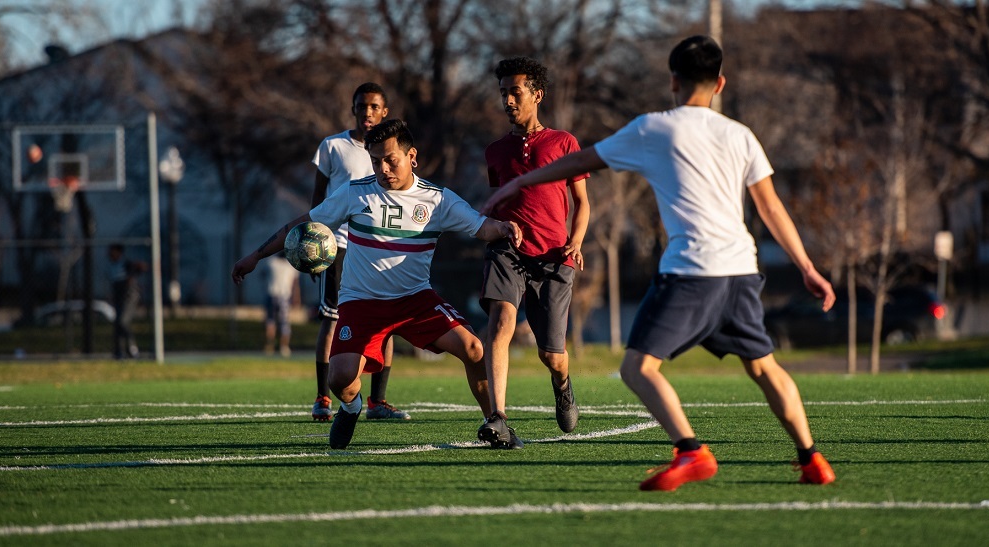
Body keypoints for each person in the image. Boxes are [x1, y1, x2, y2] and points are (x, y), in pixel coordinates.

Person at [483, 35, 837, 490]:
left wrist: (519, 184)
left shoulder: (654, 128)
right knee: (764, 367)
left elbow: (581, 161)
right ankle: (811, 459)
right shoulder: (740, 134)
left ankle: (691, 452)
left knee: (637, 368)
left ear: (672, 81)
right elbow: (770, 209)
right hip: (743, 271)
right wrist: (807, 267)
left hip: (692, 271)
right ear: (720, 84)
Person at [233, 119, 522, 450]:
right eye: (375, 161)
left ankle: (496, 423)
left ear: (412, 156)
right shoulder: (357, 192)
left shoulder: (438, 200)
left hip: (415, 300)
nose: (383, 168)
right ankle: (352, 407)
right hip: (361, 303)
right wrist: (256, 256)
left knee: (474, 348)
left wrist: (502, 227)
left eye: (390, 159)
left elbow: (480, 226)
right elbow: (304, 223)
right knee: (340, 379)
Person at [476, 57, 590, 450]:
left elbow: (582, 202)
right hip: (508, 250)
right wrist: (487, 219)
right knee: (500, 322)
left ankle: (562, 385)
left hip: (554, 258)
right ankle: (498, 417)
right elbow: (502, 196)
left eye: (515, 92)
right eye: (503, 92)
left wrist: (576, 240)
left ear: (537, 95)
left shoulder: (564, 143)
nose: (507, 100)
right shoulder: (495, 151)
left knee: (552, 354)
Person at [310, 82, 408, 422]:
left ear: (384, 111)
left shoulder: (392, 149)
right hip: (338, 245)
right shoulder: (333, 146)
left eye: (374, 107)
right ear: (353, 109)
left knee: (388, 320)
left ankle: (378, 402)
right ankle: (323, 396)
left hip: (381, 246)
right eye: (361, 106)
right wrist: (312, 247)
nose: (367, 112)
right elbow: (318, 200)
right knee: (333, 319)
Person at [107, 243, 145, 360]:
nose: (109, 254)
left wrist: (134, 275)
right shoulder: (112, 266)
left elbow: (139, 269)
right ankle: (119, 351)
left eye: (112, 251)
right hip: (118, 298)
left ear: (119, 252)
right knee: (118, 324)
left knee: (123, 321)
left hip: (129, 297)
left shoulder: (126, 263)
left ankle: (132, 348)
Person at [263, 252, 300, 357]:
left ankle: (277, 346)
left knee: (277, 322)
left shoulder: (273, 262)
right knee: (277, 322)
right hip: (278, 295)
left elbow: (294, 282)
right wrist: (296, 296)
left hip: (278, 295)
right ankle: (277, 347)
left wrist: (296, 296)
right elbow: (295, 283)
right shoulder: (275, 262)